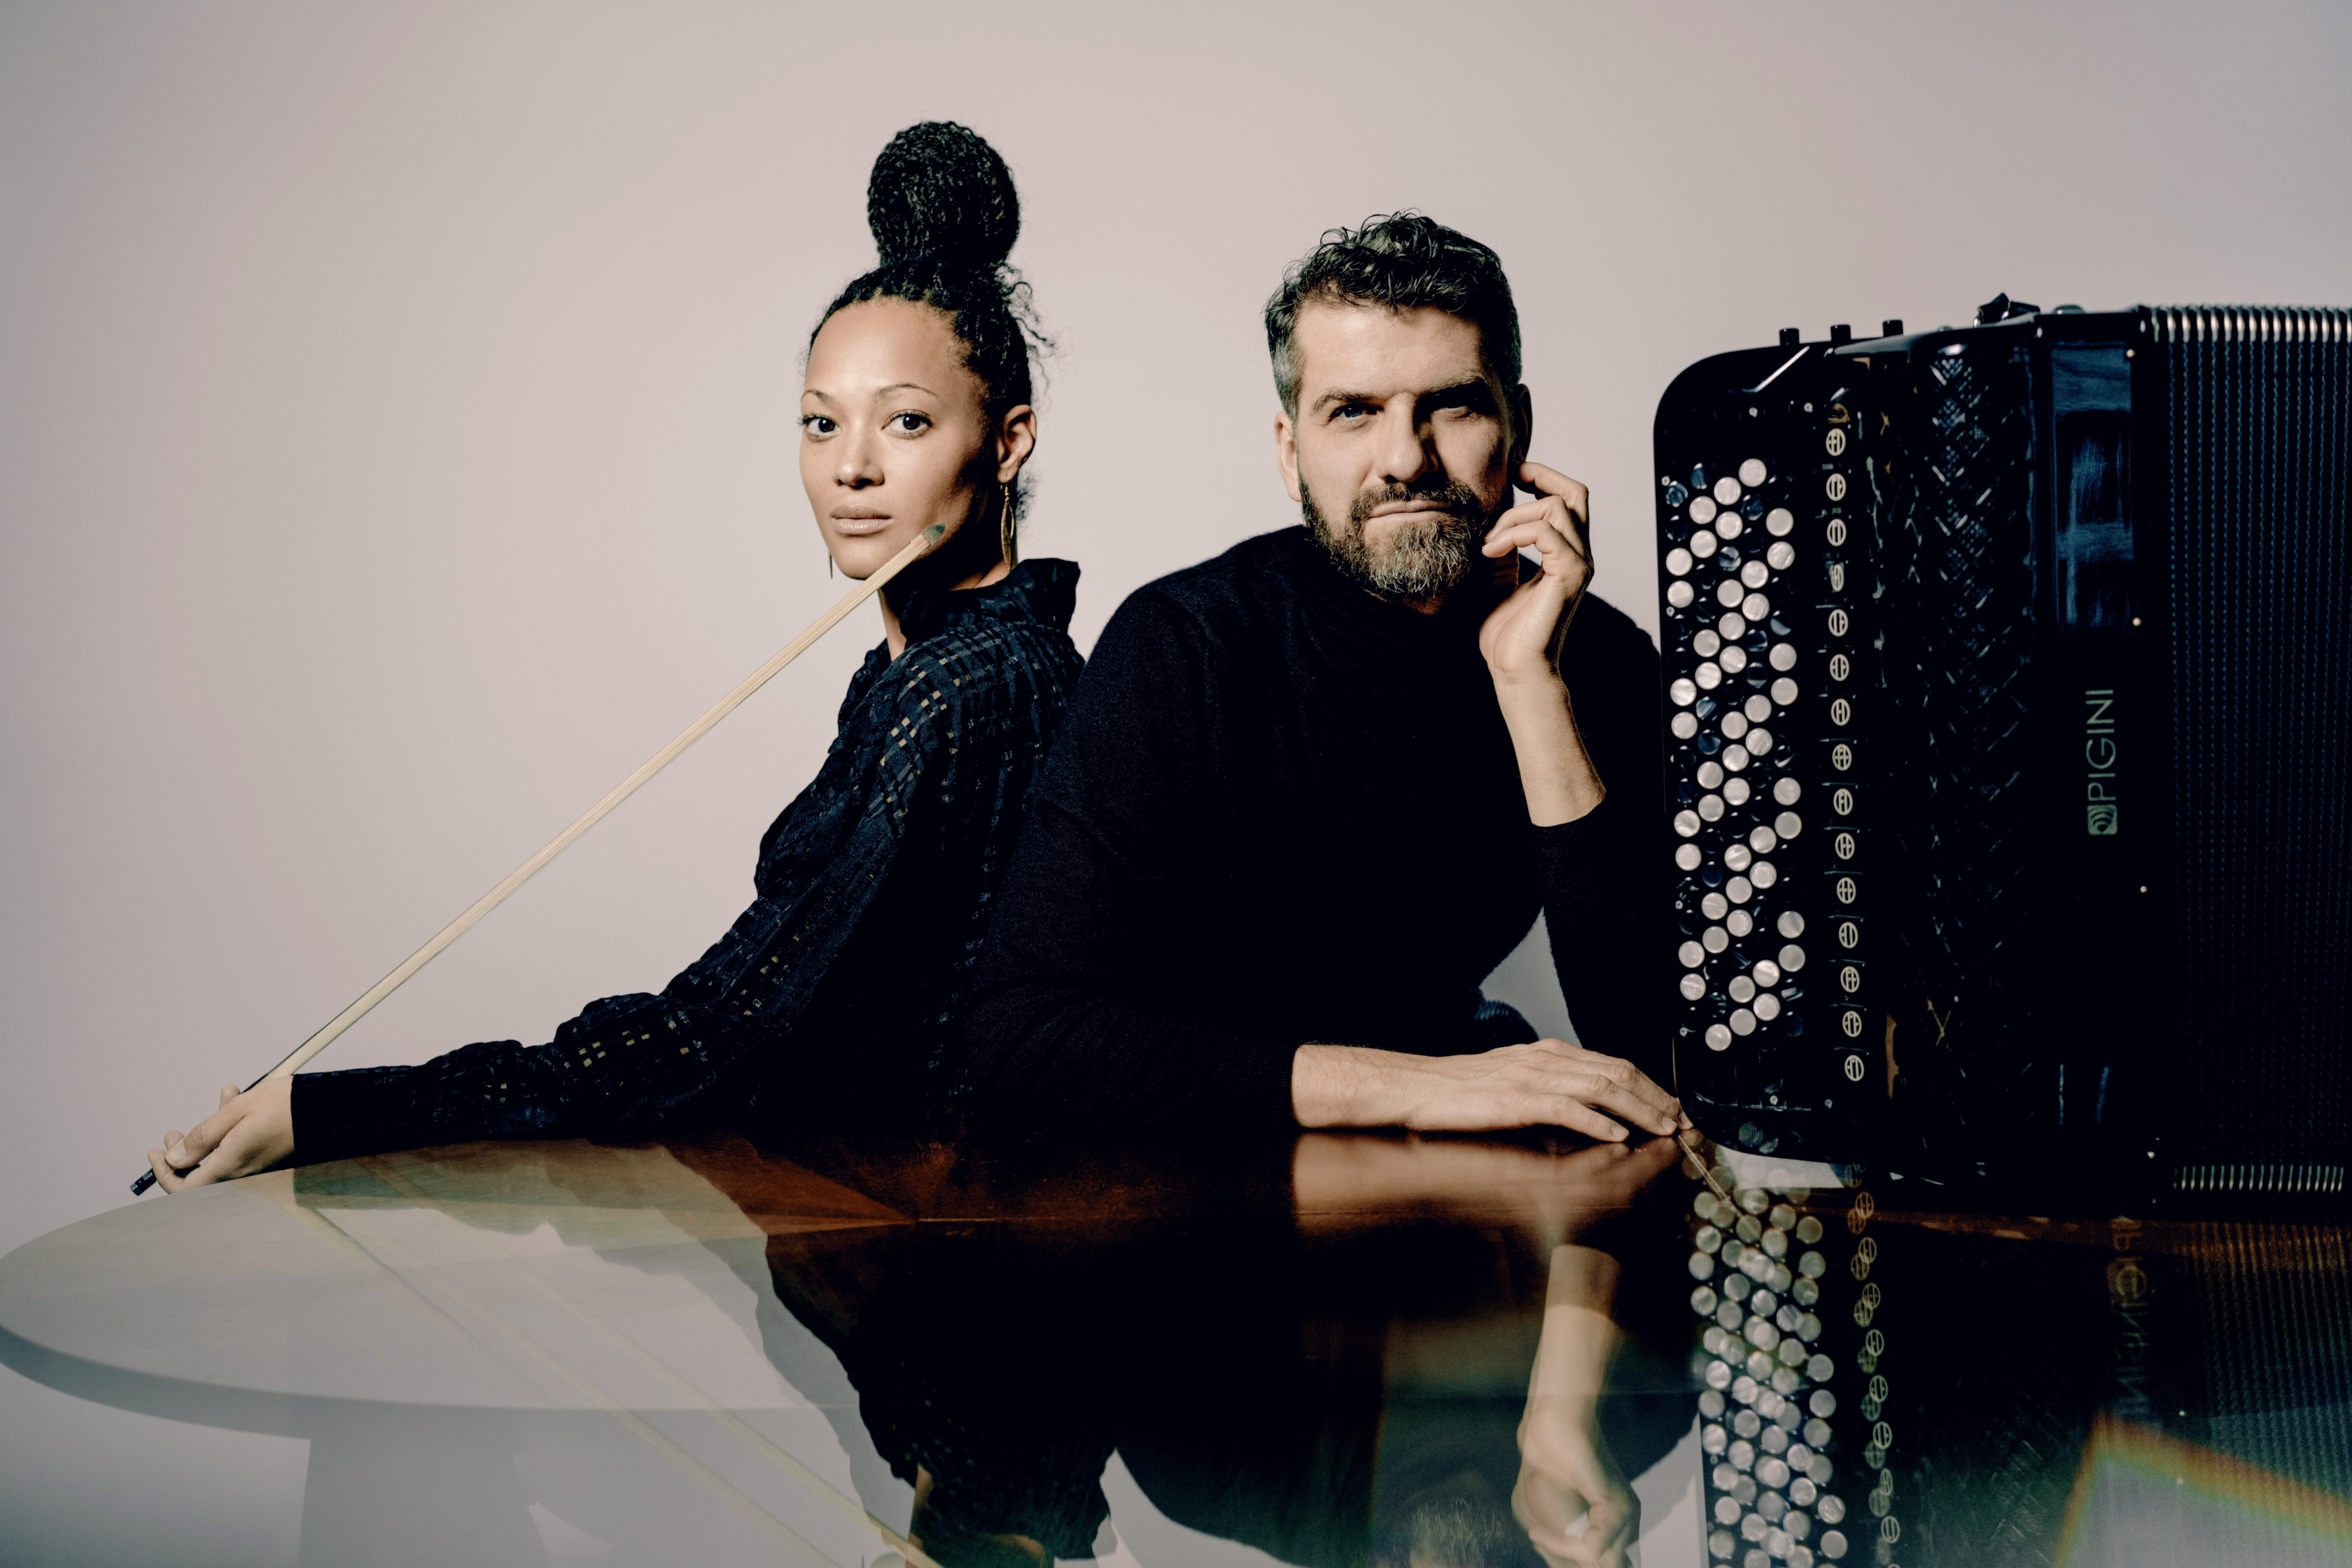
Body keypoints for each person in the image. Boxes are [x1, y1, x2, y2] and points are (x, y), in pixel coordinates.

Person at [145, 122, 1083, 1191]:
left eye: (905, 423)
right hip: (878, 1229)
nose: (851, 469)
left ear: (1007, 440)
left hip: (923, 1253)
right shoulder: (943, 668)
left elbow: (719, 1039)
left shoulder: (965, 688)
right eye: (821, 425)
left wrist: (332, 1115)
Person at [964, 212, 1679, 1141]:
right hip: (1189, 1174)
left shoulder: (1591, 659)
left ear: (1519, 426)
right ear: (1288, 449)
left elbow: (1666, 1061)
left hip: (1447, 1172)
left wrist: (1531, 686)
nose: (1406, 459)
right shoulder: (1185, 646)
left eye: (1452, 405)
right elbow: (1017, 1034)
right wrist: (1422, 1086)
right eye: (1353, 412)